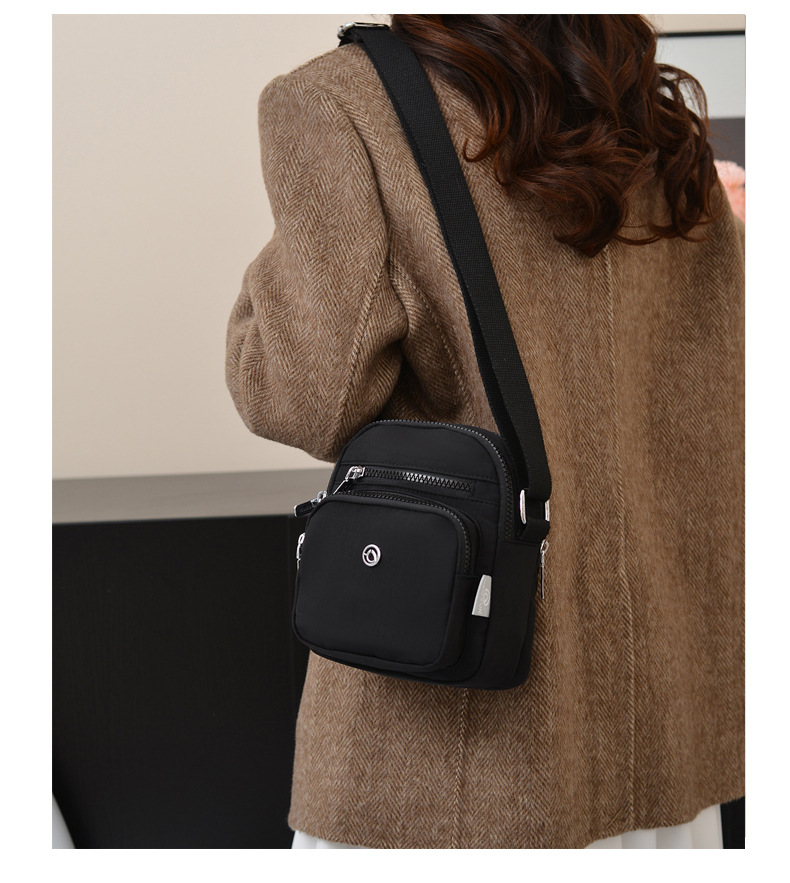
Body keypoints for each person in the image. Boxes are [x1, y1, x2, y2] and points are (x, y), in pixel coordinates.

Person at [225, 14, 744, 849]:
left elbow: (303, 398)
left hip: (450, 755)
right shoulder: (653, 121)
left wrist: (290, 260)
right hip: (661, 739)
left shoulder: (340, 104)